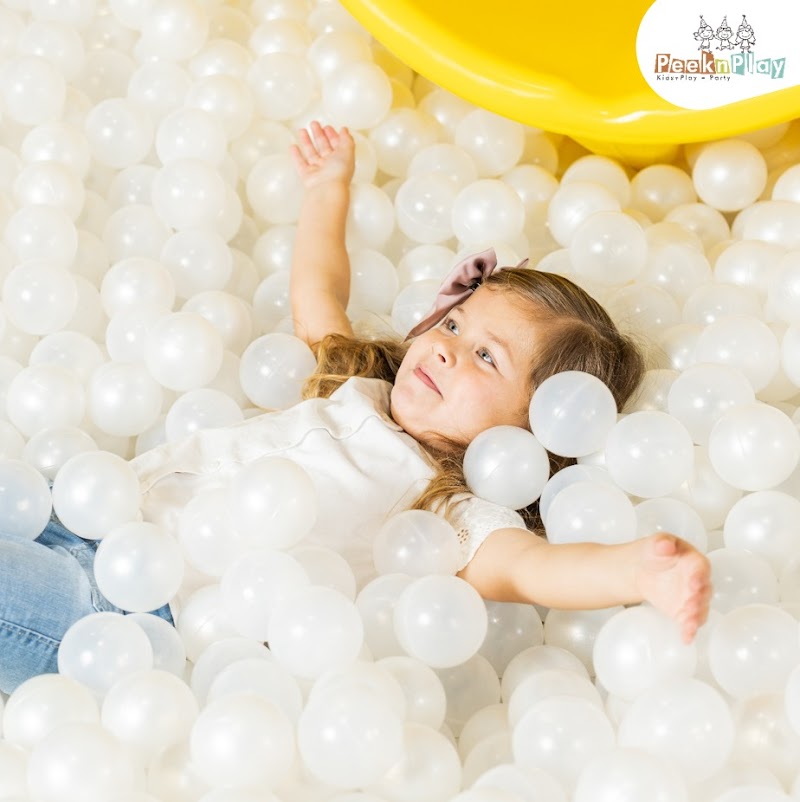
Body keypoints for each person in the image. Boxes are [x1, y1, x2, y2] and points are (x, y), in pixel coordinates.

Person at [0, 122, 710, 695]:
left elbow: (529, 569)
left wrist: (632, 571)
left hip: (131, 618)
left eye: (488, 359)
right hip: (88, 518)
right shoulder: (359, 383)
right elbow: (316, 289)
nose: (447, 350)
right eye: (457, 326)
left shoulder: (447, 511)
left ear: (532, 434)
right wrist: (328, 190)